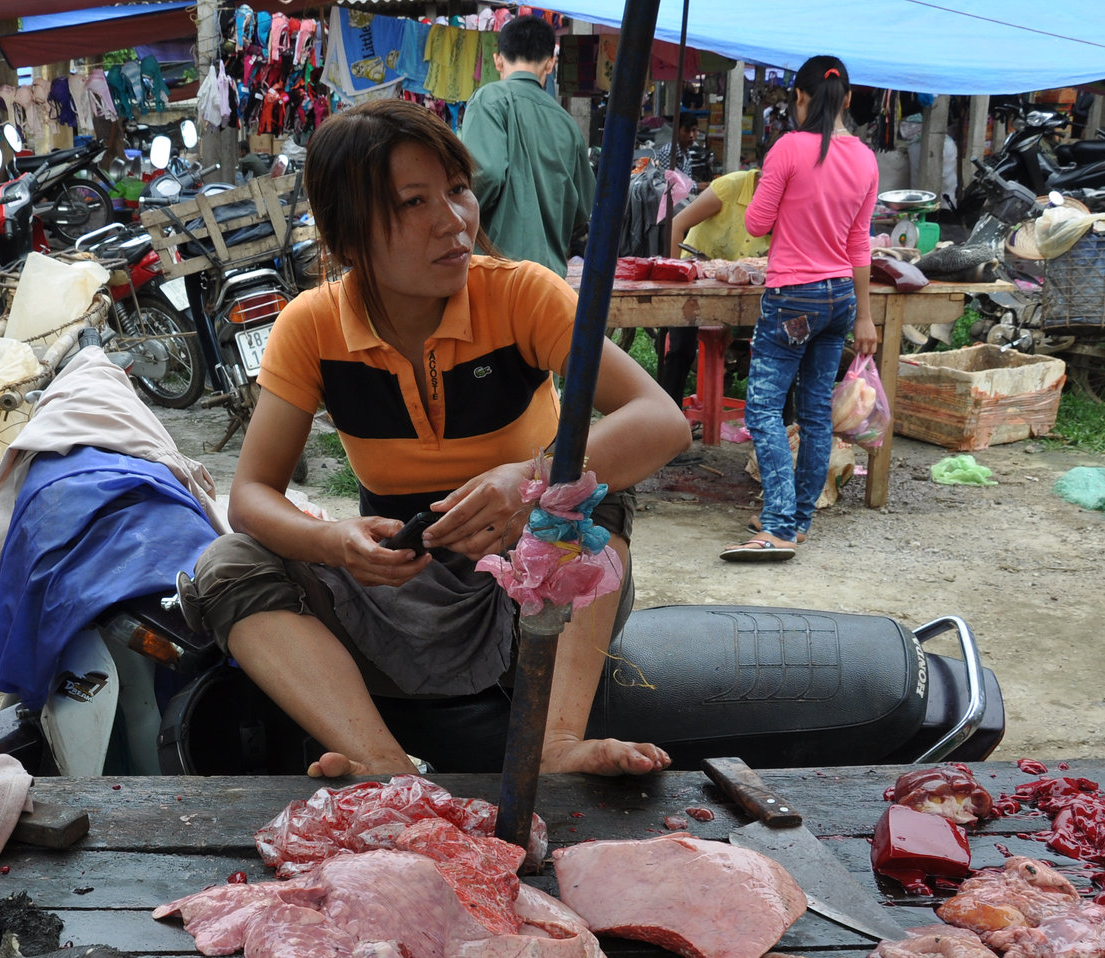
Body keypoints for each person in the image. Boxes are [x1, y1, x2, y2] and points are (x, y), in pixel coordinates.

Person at [185, 101, 691, 779]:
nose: (454, 220)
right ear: (350, 232)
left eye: (457, 189)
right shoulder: (310, 327)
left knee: (589, 500)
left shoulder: (521, 297)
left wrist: (531, 480)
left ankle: (557, 742)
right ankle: (386, 767)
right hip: (397, 589)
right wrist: (334, 542)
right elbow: (250, 496)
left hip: (527, 589)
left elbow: (661, 420)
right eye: (413, 202)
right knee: (228, 565)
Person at [724, 55, 878, 563]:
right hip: (840, 299)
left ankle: (778, 526)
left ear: (800, 98)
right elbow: (860, 244)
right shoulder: (865, 159)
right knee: (814, 413)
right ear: (848, 99)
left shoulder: (788, 148)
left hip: (794, 296)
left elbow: (755, 224)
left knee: (764, 409)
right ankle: (799, 519)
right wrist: (865, 315)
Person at [458, 14, 594, 276]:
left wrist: (453, 217)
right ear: (551, 64)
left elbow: (486, 174)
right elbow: (583, 209)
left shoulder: (489, 99)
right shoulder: (567, 124)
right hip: (550, 278)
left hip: (496, 272)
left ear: (498, 60)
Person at [655, 166, 771, 405]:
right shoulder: (731, 187)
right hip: (695, 278)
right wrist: (675, 284)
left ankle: (785, 428)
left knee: (780, 346)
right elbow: (677, 225)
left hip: (743, 288)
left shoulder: (789, 200)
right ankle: (666, 417)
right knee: (681, 349)